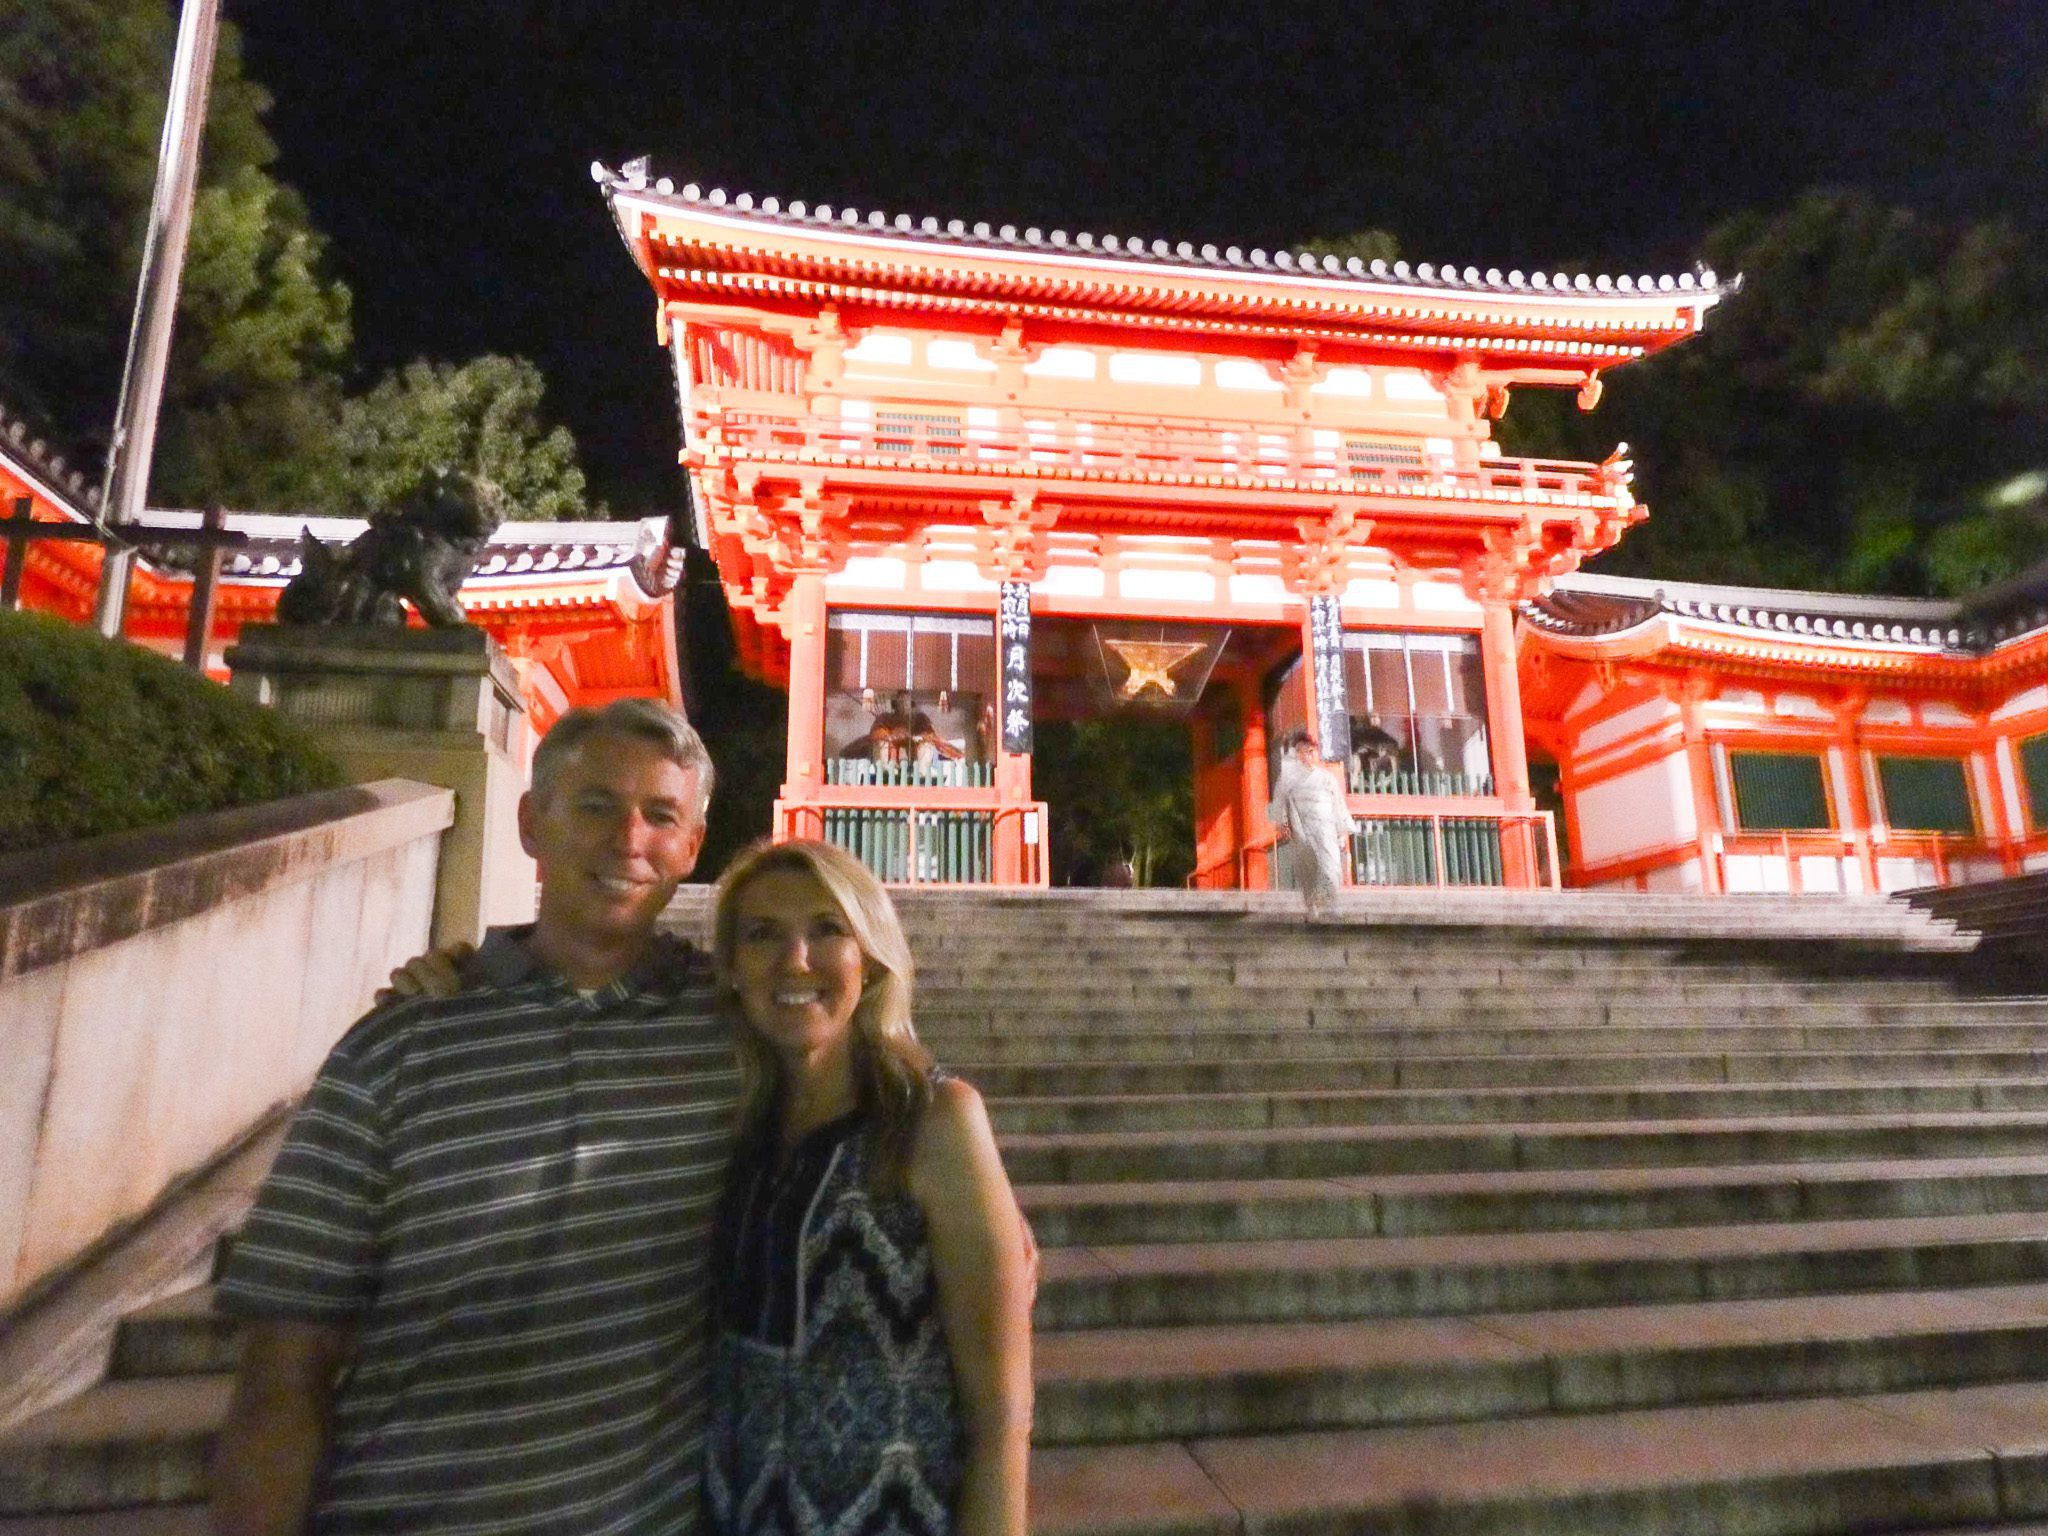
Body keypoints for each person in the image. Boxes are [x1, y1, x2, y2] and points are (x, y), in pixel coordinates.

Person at [210, 698, 733, 1535]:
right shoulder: (396, 1048)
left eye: (661, 816)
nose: (628, 840)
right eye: (595, 805)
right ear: (531, 823)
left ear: (693, 845)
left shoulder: (728, 1032)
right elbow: (283, 1374)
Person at [705, 837, 1032, 1536]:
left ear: (871, 957)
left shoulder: (933, 1122)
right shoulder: (734, 1125)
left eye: (828, 929)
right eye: (762, 934)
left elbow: (1002, 1416)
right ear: (730, 967)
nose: (796, 960)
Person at [1267, 727, 1356, 919]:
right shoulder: (1288, 779)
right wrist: (1282, 823)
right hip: (1302, 827)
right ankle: (1312, 906)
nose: (1307, 755)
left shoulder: (1326, 778)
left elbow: (1338, 804)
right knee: (1308, 869)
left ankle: (1333, 903)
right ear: (1296, 753)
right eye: (1302, 751)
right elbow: (1280, 801)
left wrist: (1341, 830)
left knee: (1330, 864)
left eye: (1310, 751)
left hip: (1326, 826)